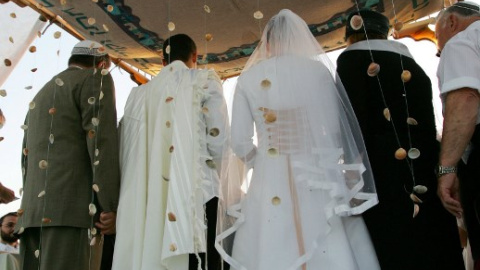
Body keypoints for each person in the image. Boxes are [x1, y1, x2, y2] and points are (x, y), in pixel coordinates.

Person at [216, 9, 379, 270]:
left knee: (270, 242)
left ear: (267, 43)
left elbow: (240, 142)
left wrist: (262, 161)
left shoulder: (248, 79)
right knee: (326, 235)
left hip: (270, 174)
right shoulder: (318, 72)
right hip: (315, 169)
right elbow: (334, 130)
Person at [336, 9, 464, 270]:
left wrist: (351, 169)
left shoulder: (350, 61)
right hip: (426, 159)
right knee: (432, 238)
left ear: (351, 35)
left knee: (393, 243)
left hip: (379, 166)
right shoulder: (412, 65)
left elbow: (351, 122)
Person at [112, 33, 228, 270]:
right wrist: (223, 177)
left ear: (162, 60)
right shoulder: (205, 79)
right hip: (200, 193)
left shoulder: (137, 95)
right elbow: (219, 139)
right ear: (195, 56)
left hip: (146, 199)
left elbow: (126, 148)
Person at [15, 40, 120, 270]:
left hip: (33, 215)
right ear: (102, 64)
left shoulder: (43, 93)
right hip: (72, 214)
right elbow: (101, 143)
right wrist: (110, 205)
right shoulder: (95, 79)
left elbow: (26, 156)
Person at [435, 1, 480, 268]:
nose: (440, 48)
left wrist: (446, 168)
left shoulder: (463, 41)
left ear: (451, 22)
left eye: (439, 41)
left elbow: (466, 99)